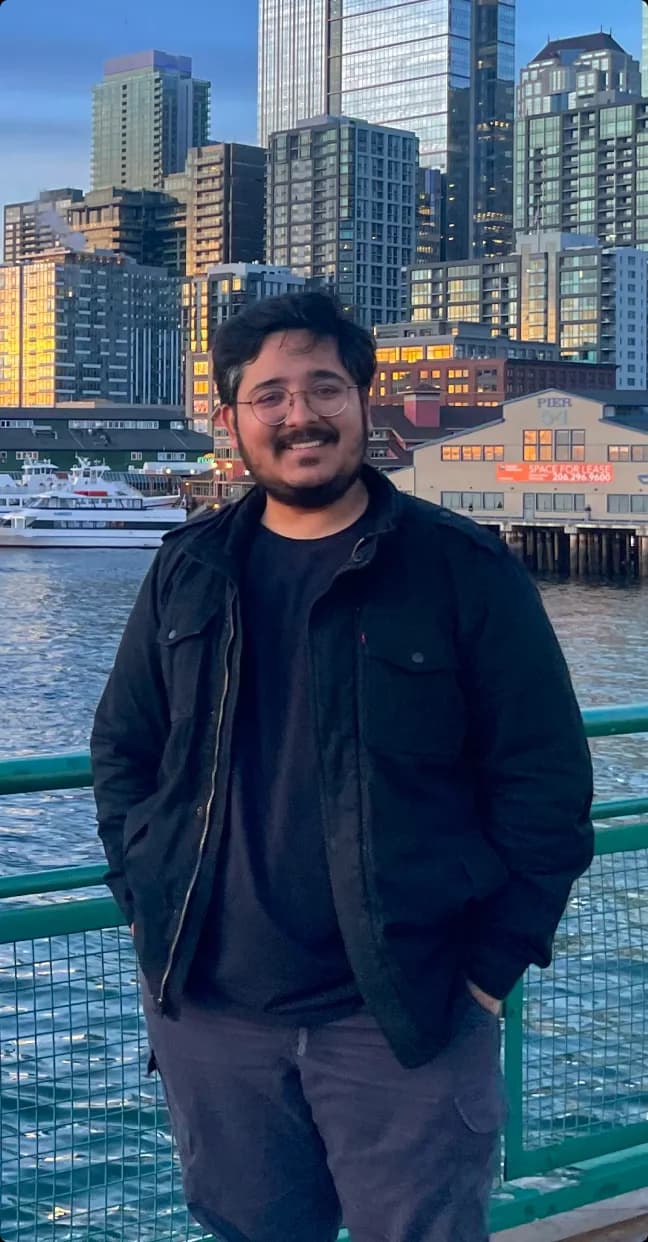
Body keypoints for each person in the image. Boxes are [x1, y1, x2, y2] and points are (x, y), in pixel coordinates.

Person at [91, 292, 594, 1242]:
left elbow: (547, 785)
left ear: (365, 401)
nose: (300, 415)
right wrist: (146, 905)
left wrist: (489, 971)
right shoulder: (186, 569)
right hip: (214, 1017)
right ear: (231, 418)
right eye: (270, 395)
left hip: (405, 1015)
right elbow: (123, 753)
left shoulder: (463, 569)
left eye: (325, 388)